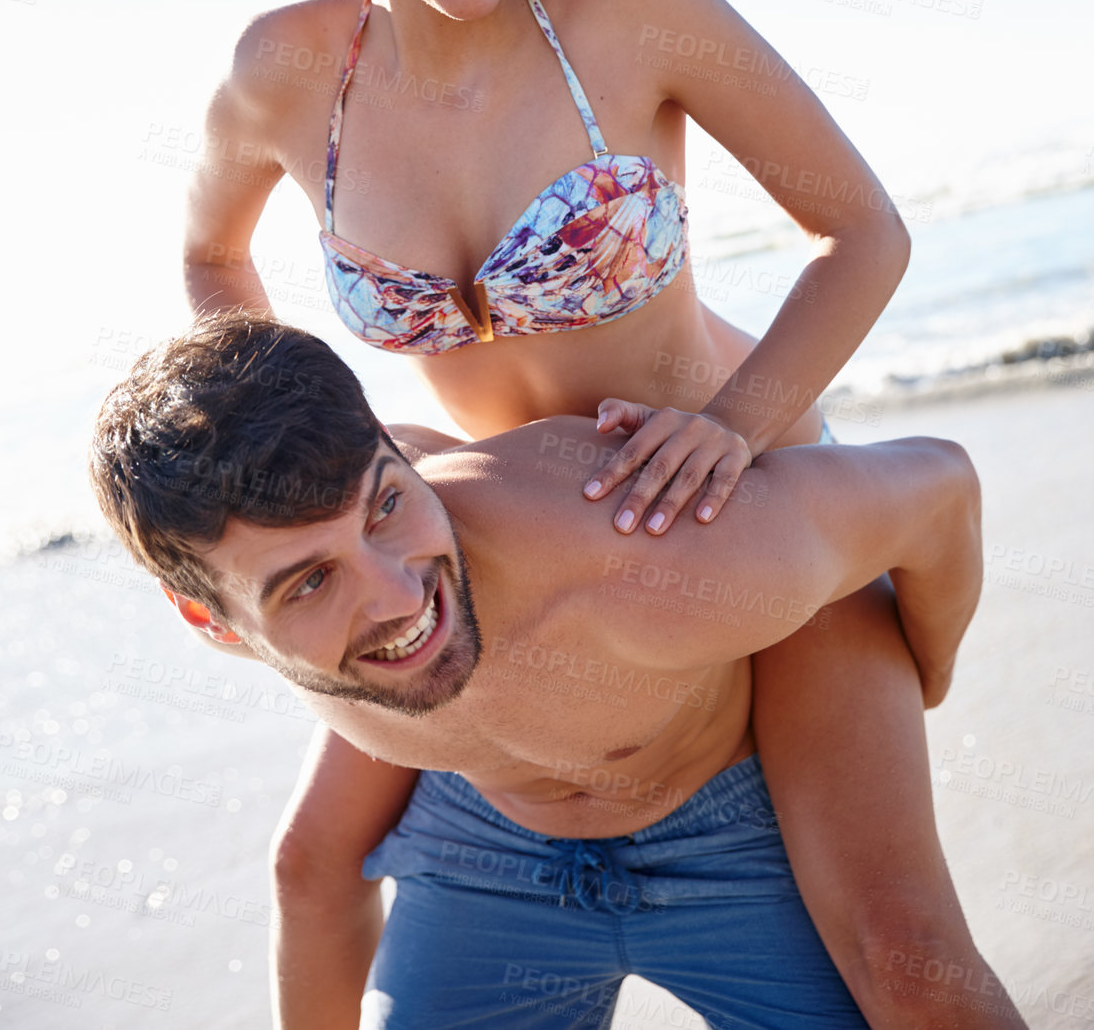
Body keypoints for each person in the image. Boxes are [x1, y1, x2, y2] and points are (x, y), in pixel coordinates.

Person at [181, 0, 975, 1025]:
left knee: (907, 964)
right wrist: (326, 451)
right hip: (495, 551)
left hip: (737, 502)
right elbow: (214, 260)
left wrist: (731, 423)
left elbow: (862, 233)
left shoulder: (623, 2)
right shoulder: (286, 72)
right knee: (311, 868)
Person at [90, 314, 1023, 1030]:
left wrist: (926, 670)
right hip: (482, 837)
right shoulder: (274, 567)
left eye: (384, 507)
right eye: (311, 581)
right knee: (304, 864)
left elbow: (940, 487)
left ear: (396, 451)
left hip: (731, 816)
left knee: (917, 980)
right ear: (212, 623)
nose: (395, 596)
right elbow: (313, 872)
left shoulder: (643, 549)